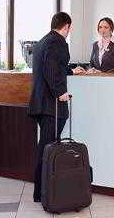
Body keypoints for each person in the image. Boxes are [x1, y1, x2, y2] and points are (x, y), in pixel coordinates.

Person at [27, 12, 85, 202]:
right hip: (51, 104)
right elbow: (51, 69)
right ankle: (42, 191)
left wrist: (71, 71)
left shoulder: (43, 41)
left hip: (41, 103)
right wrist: (60, 92)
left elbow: (52, 66)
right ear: (66, 26)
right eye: (69, 28)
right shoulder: (57, 42)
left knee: (46, 146)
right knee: (47, 147)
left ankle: (43, 191)